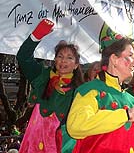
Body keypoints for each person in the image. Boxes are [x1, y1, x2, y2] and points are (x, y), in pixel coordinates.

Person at [66, 32, 134, 153]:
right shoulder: (91, 90)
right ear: (114, 59)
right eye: (130, 55)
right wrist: (125, 115)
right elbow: (76, 126)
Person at [16, 19, 84, 153]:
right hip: (34, 143)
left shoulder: (81, 91)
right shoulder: (42, 77)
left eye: (69, 58)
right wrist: (36, 36)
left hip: (62, 144)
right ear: (55, 60)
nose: (63, 60)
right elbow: (23, 57)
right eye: (60, 56)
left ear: (76, 65)